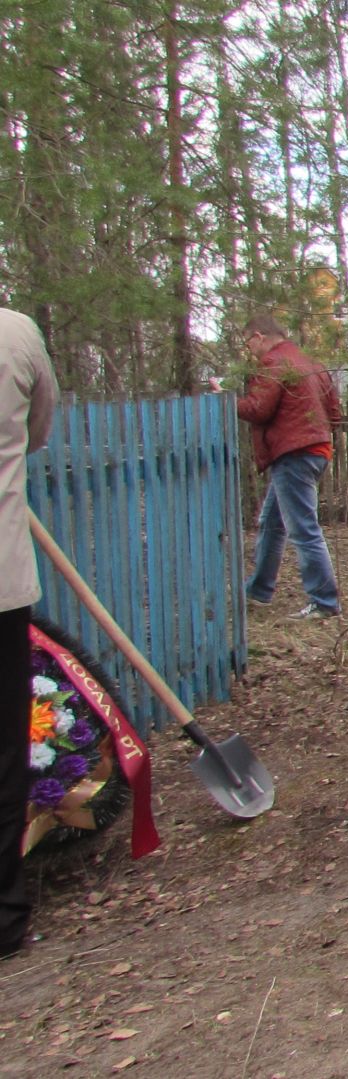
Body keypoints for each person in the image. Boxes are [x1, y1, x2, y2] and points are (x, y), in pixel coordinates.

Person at [0, 309, 57, 958]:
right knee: (2, 751)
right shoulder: (16, 335)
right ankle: (3, 913)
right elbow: (37, 430)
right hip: (2, 580)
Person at [235, 315, 343, 619]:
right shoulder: (311, 363)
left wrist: (226, 400)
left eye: (248, 344)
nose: (250, 351)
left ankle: (324, 601)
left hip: (294, 453)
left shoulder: (274, 362)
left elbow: (258, 409)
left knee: (303, 529)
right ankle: (259, 589)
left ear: (258, 335)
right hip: (315, 450)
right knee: (272, 521)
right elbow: (334, 412)